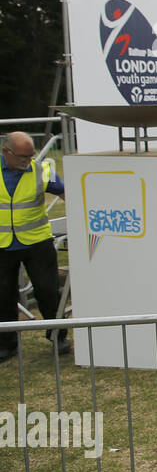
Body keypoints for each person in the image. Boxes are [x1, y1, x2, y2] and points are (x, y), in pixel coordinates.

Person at [1, 132, 69, 362]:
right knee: (3, 297)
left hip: (37, 242)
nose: (27, 161)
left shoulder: (41, 170)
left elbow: (67, 193)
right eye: (22, 156)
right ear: (5, 153)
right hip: (2, 245)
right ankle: (7, 344)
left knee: (49, 291)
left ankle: (58, 337)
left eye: (30, 155)